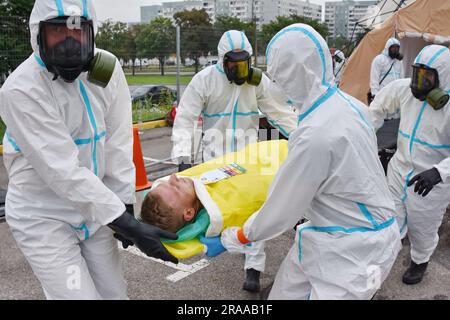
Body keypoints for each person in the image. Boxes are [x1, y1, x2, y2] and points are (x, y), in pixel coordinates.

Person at [0, 0, 177, 300]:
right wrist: (124, 222)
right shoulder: (21, 89)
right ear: (38, 34)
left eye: (78, 32)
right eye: (58, 32)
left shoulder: (106, 70)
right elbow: (62, 170)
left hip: (96, 211)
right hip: (43, 215)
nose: (70, 43)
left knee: (115, 294)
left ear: (91, 33)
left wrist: (124, 205)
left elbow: (119, 143)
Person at [219, 23, 402, 300]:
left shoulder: (315, 135)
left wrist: (237, 237)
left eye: (277, 73)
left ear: (293, 74)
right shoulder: (348, 105)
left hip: (357, 249)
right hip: (324, 234)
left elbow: (281, 210)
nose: (273, 79)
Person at [171, 30, 298, 292]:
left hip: (249, 157)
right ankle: (225, 240)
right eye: (233, 64)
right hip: (216, 159)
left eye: (244, 63)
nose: (239, 70)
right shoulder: (205, 80)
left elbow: (279, 112)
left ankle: (254, 267)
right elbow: (185, 117)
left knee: (256, 209)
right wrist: (184, 158)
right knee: (220, 212)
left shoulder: (256, 82)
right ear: (222, 61)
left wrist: (302, 136)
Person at [143, 140, 289, 292]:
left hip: (257, 149)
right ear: (188, 213)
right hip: (284, 161)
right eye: (175, 187)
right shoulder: (227, 211)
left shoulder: (194, 191)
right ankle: (254, 267)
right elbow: (266, 217)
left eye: (166, 183)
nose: (173, 177)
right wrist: (230, 239)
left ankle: (254, 267)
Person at [369, 45, 450, 285]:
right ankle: (386, 253)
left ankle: (420, 260)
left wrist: (439, 172)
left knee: (422, 229)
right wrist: (365, 135)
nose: (417, 83)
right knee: (389, 220)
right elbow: (377, 108)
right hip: (398, 170)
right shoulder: (403, 89)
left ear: (442, 78)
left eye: (426, 78)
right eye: (416, 74)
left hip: (430, 183)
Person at [369, 38, 404, 106]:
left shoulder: (399, 62)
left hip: (395, 96)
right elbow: (374, 78)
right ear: (388, 48)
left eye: (397, 47)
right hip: (382, 95)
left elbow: (401, 78)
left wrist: (401, 93)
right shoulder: (379, 59)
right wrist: (374, 94)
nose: (395, 50)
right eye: (393, 47)